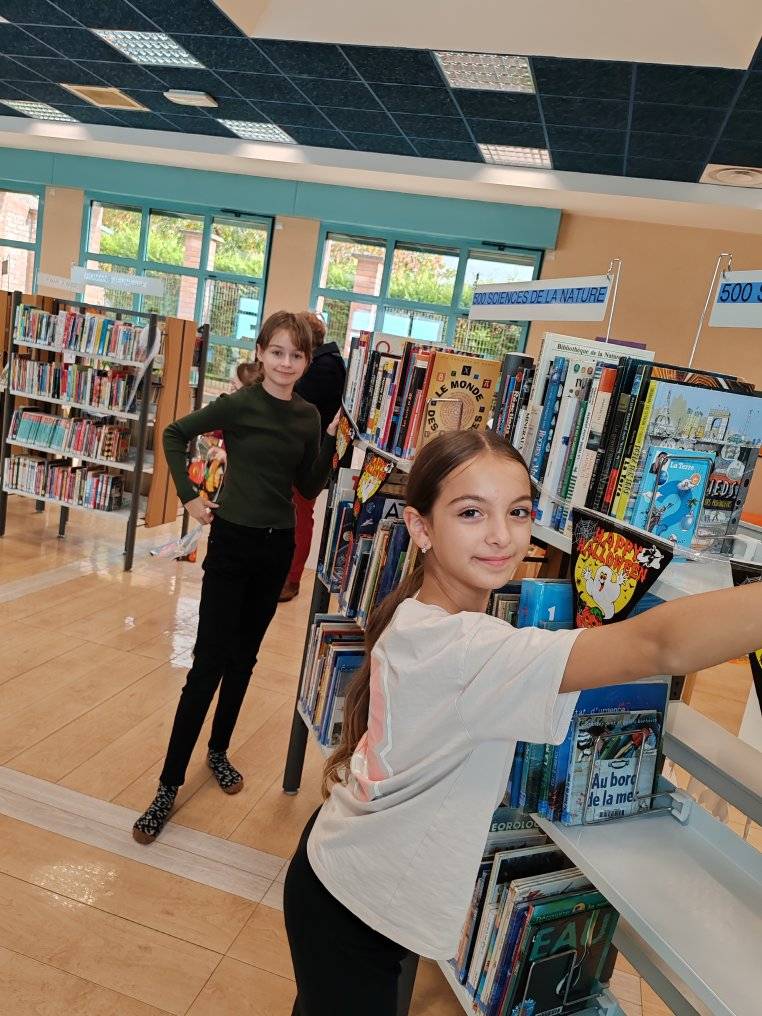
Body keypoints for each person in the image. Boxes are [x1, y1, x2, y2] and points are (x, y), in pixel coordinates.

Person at [283, 428, 762, 1016]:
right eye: (470, 512)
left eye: (518, 512)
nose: (501, 536)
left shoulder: (426, 618)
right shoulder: (466, 648)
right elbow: (657, 645)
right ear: (420, 528)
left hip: (344, 874)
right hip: (352, 908)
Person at [133, 311, 339, 844]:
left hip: (277, 548)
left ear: (307, 361)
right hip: (231, 544)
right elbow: (174, 434)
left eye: (296, 355)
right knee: (207, 666)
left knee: (244, 660)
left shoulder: (308, 416)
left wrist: (331, 443)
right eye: (277, 352)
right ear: (261, 353)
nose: (286, 363)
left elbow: (308, 486)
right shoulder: (238, 404)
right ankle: (167, 786)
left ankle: (218, 750)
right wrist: (188, 498)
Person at [280, 312, 346, 602]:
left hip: (308, 457)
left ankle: (291, 579)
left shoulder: (324, 368)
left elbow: (295, 402)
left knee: (299, 516)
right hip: (303, 452)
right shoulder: (324, 363)